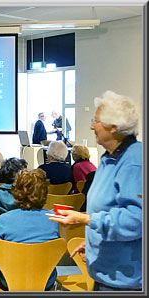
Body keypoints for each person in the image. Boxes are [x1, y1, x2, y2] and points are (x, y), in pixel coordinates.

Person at [49, 91, 142, 291]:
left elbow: (136, 220)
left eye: (96, 121)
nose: (92, 126)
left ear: (114, 127)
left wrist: (85, 220)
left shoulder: (134, 162)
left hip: (124, 280)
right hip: (107, 272)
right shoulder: (109, 159)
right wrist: (93, 242)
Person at [0, 169, 59, 291]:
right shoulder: (55, 220)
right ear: (45, 192)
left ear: (16, 191)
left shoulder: (3, 220)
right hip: (46, 282)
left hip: (9, 282)